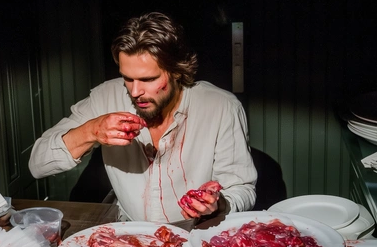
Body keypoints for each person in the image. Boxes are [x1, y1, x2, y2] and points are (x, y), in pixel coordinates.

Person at [29, 11, 257, 222]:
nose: (135, 91)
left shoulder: (220, 107)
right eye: (127, 78)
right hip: (130, 235)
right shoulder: (105, 97)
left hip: (195, 233)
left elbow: (242, 189)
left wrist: (218, 204)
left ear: (177, 71)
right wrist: (90, 131)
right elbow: (37, 164)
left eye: (148, 79)